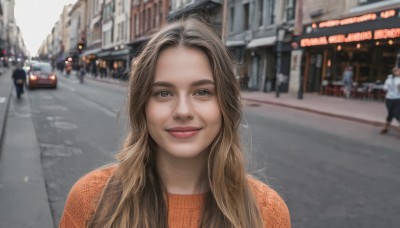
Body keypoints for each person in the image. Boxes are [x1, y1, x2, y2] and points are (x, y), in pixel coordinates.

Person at [59, 18, 291, 228]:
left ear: (225, 105)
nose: (182, 111)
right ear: (142, 106)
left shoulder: (268, 212)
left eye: (202, 92)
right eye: (163, 93)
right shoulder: (90, 200)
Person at [380, 67, 400, 134]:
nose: (399, 72)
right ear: (394, 72)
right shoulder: (389, 79)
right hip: (389, 98)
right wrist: (386, 88)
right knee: (390, 114)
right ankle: (385, 128)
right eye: (398, 71)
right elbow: (385, 87)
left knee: (397, 113)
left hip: (398, 98)